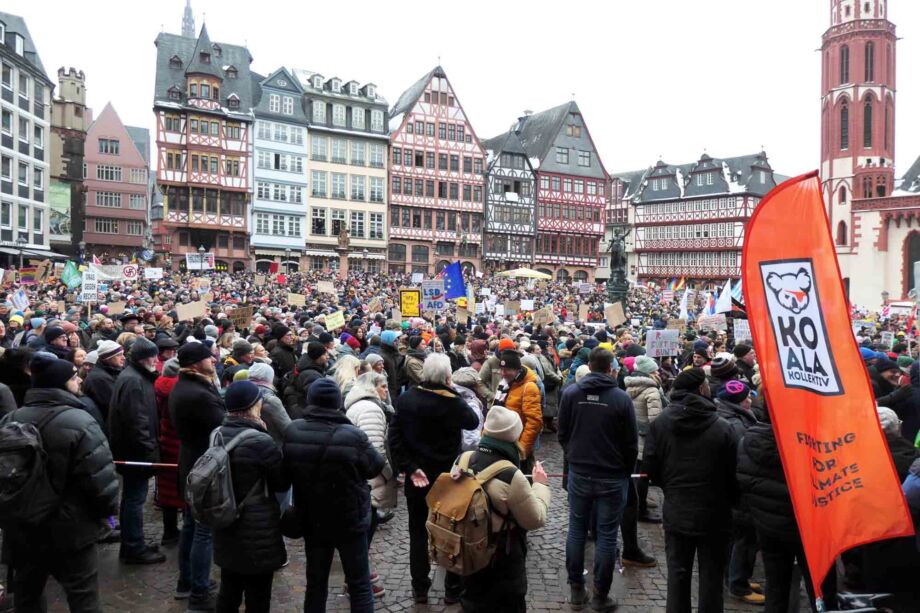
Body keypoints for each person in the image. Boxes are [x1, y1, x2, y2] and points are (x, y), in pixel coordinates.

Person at [2, 356, 118, 612]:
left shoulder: (11, 418)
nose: (78, 380)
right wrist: (107, 515)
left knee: (27, 593)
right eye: (74, 376)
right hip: (71, 527)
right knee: (83, 596)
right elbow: (100, 480)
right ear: (61, 384)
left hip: (23, 525)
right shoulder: (81, 421)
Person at [284, 378, 385, 612]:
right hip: (349, 519)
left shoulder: (294, 430)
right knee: (359, 584)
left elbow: (284, 474)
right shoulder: (352, 435)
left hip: (312, 518)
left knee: (316, 583)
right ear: (337, 403)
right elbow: (374, 466)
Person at [644, 367, 738, 613]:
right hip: (715, 512)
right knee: (711, 578)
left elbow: (651, 468)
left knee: (678, 575)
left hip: (678, 507)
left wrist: (671, 485)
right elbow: (733, 473)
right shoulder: (723, 427)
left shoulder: (661, 423)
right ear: (701, 389)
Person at [388, 353, 479, 604]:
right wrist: (456, 393)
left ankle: (420, 588)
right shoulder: (452, 401)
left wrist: (409, 466)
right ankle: (452, 588)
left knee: (417, 534)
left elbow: (394, 438)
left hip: (417, 477)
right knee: (450, 531)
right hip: (448, 478)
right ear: (448, 377)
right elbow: (472, 422)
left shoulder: (407, 399)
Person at [737, 396, 837, 613]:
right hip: (808, 530)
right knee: (820, 588)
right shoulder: (811, 441)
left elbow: (742, 482)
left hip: (768, 527)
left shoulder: (748, 440)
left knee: (776, 586)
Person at [558, 347, 638, 612]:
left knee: (577, 530)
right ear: (610, 368)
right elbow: (630, 443)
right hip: (611, 475)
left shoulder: (571, 393)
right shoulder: (620, 398)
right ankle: (600, 595)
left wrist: (574, 455)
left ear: (590, 366)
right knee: (606, 535)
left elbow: (563, 433)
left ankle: (576, 590)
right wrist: (625, 471)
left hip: (582, 472)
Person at [458, 405, 552, 613]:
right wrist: (540, 485)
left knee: (473, 601)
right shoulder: (510, 474)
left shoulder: (463, 459)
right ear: (511, 436)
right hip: (502, 555)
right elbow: (534, 519)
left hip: (470, 547)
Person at [213, 381, 290, 613]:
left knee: (229, 590)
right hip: (258, 528)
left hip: (225, 520)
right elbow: (281, 482)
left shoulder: (217, 433)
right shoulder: (260, 441)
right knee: (258, 596)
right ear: (254, 405)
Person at [170, 341, 227, 611]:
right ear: (195, 364)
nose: (214, 360)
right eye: (209, 358)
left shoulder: (188, 386)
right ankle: (199, 593)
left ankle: (188, 582)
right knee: (203, 530)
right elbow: (222, 426)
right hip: (202, 466)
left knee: (192, 527)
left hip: (192, 463)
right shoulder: (198, 393)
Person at [109, 337, 165, 564]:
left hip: (131, 450)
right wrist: (150, 453)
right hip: (135, 453)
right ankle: (133, 547)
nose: (157, 360)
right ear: (145, 358)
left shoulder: (134, 376)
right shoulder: (133, 381)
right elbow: (137, 421)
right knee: (134, 499)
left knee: (132, 498)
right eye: (154, 356)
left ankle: (134, 541)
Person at [344, 371, 398, 597]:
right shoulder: (370, 410)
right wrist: (389, 475)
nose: (386, 391)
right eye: (383, 386)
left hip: (361, 477)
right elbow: (375, 450)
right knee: (366, 530)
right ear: (373, 388)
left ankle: (357, 575)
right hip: (370, 481)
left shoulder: (359, 405)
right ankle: (358, 580)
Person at [714, 380, 764, 604]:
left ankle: (735, 576)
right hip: (740, 489)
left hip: (733, 488)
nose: (751, 400)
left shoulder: (729, 415)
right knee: (744, 539)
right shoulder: (737, 424)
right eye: (747, 398)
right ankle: (738, 584)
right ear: (739, 401)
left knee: (737, 538)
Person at [624, 354, 665, 524]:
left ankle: (636, 506)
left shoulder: (629, 387)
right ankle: (641, 510)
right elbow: (656, 420)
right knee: (642, 476)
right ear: (649, 372)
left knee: (637, 474)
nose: (659, 373)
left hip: (633, 437)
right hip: (647, 439)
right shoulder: (651, 390)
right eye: (656, 370)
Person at [492, 349, 543, 474]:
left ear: (517, 370)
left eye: (507, 370)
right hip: (501, 446)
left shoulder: (529, 387)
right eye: (502, 370)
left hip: (516, 448)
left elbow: (534, 422)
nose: (503, 373)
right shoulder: (503, 384)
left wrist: (522, 449)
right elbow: (493, 414)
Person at [155, 357, 184, 546]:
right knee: (183, 487)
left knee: (167, 490)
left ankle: (170, 531)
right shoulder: (180, 391)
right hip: (180, 443)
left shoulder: (157, 387)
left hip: (165, 441)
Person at [246, 362, 291, 444]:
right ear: (269, 377)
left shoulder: (243, 393)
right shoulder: (270, 400)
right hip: (272, 445)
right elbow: (288, 429)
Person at [81, 340, 124, 424]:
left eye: (123, 354)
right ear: (107, 358)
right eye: (119, 355)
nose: (123, 357)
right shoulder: (98, 379)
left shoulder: (110, 372)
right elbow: (114, 405)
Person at [282, 341, 329, 419]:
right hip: (303, 412)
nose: (328, 357)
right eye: (324, 354)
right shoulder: (311, 375)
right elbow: (316, 398)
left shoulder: (305, 364)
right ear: (317, 356)